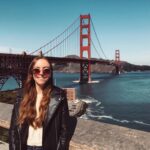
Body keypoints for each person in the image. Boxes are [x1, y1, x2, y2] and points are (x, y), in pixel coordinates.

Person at [9, 56, 69, 150]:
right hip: (24, 147)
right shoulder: (21, 95)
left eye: (46, 70)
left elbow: (64, 131)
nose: (41, 73)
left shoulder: (59, 96)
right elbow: (13, 129)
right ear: (31, 73)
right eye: (37, 70)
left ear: (50, 74)